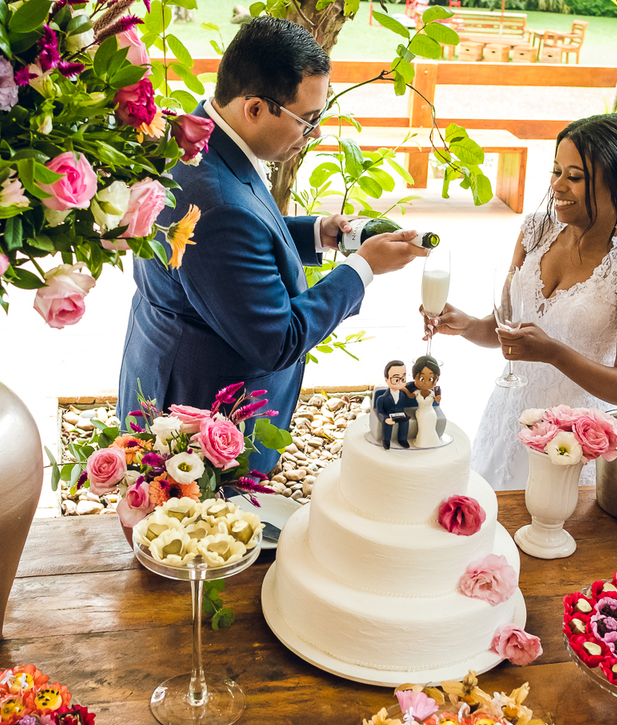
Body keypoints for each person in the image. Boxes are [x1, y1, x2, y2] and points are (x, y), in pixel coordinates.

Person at [118, 17, 428, 475]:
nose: (315, 133)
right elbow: (276, 339)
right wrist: (362, 268)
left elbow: (226, 251)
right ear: (256, 108)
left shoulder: (195, 134)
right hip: (200, 416)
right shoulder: (219, 204)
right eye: (309, 119)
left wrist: (315, 232)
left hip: (169, 361)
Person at [423, 113, 617, 490]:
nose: (557, 186)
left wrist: (554, 352)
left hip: (570, 440)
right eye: (556, 171)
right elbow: (504, 327)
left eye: (575, 177)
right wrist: (468, 325)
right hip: (507, 419)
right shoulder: (535, 231)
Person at [375, 360, 415, 450]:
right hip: (389, 416)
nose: (400, 382)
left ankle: (402, 439)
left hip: (400, 415)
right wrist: (385, 418)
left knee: (405, 421)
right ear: (387, 380)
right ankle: (386, 440)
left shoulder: (403, 395)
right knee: (388, 424)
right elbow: (379, 412)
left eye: (403, 379)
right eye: (396, 379)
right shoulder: (382, 398)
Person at [405, 354, 441, 448]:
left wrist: (438, 395)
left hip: (431, 414)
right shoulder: (417, 392)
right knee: (423, 429)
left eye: (430, 379)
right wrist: (403, 389)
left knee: (430, 429)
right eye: (421, 378)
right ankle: (422, 443)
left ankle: (433, 443)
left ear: (436, 378)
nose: (425, 382)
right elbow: (410, 395)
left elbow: (437, 400)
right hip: (420, 413)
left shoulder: (433, 393)